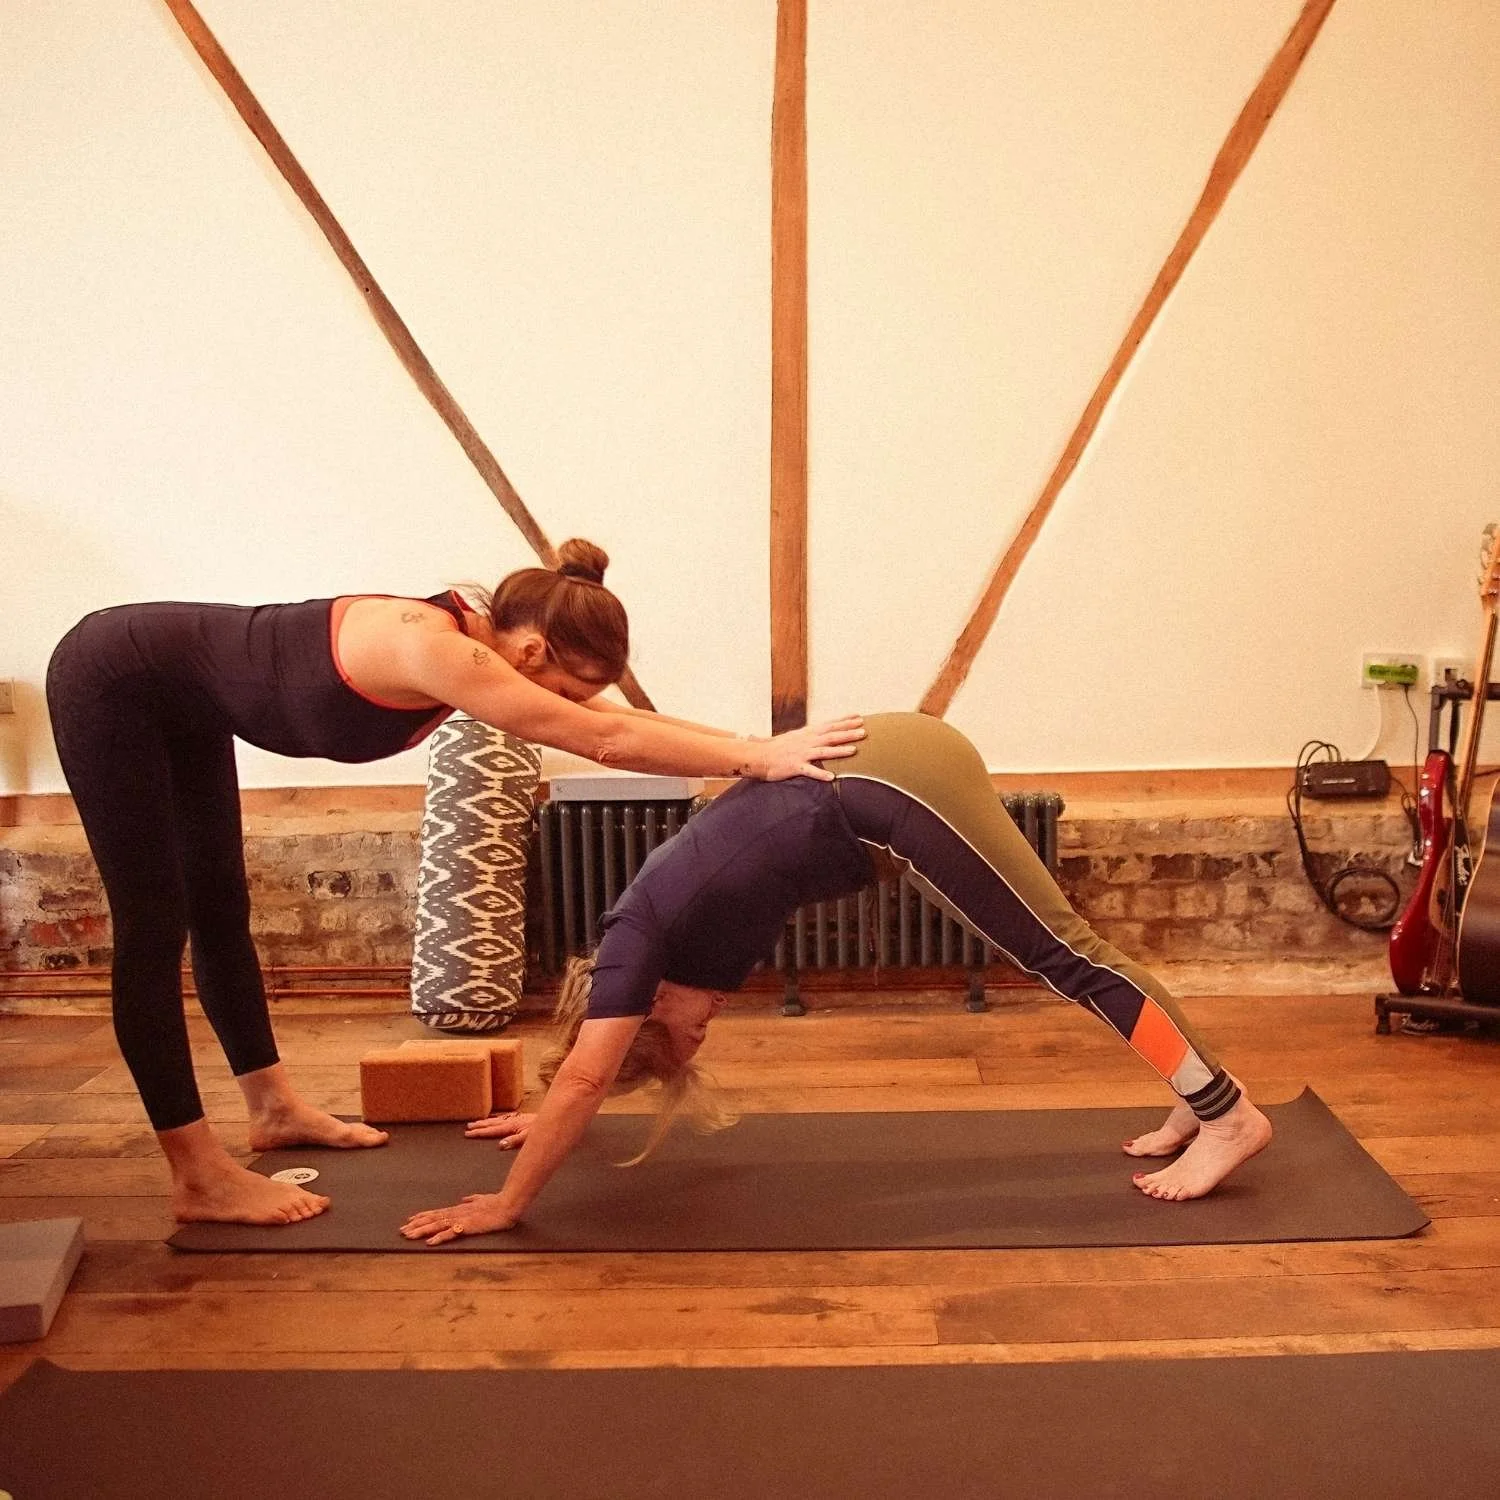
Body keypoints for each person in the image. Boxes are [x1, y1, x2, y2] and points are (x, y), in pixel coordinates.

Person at [44, 539, 864, 1227]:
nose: (576, 705)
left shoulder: (483, 644)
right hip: (114, 677)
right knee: (155, 926)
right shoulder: (433, 645)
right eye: (570, 687)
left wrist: (764, 745)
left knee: (220, 905)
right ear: (534, 651)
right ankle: (195, 1174)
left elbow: (623, 719)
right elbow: (604, 738)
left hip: (183, 702)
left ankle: (273, 1108)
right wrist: (755, 760)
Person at [401, 711, 1273, 1246]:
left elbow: (593, 1067)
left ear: (647, 1003)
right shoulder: (679, 960)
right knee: (1078, 949)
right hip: (888, 763)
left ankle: (1228, 1117)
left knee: (1065, 956)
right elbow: (590, 1077)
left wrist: (510, 1203)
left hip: (890, 785)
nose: (704, 1031)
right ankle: (1194, 1087)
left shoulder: (633, 943)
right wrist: (556, 1112)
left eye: (684, 1035)